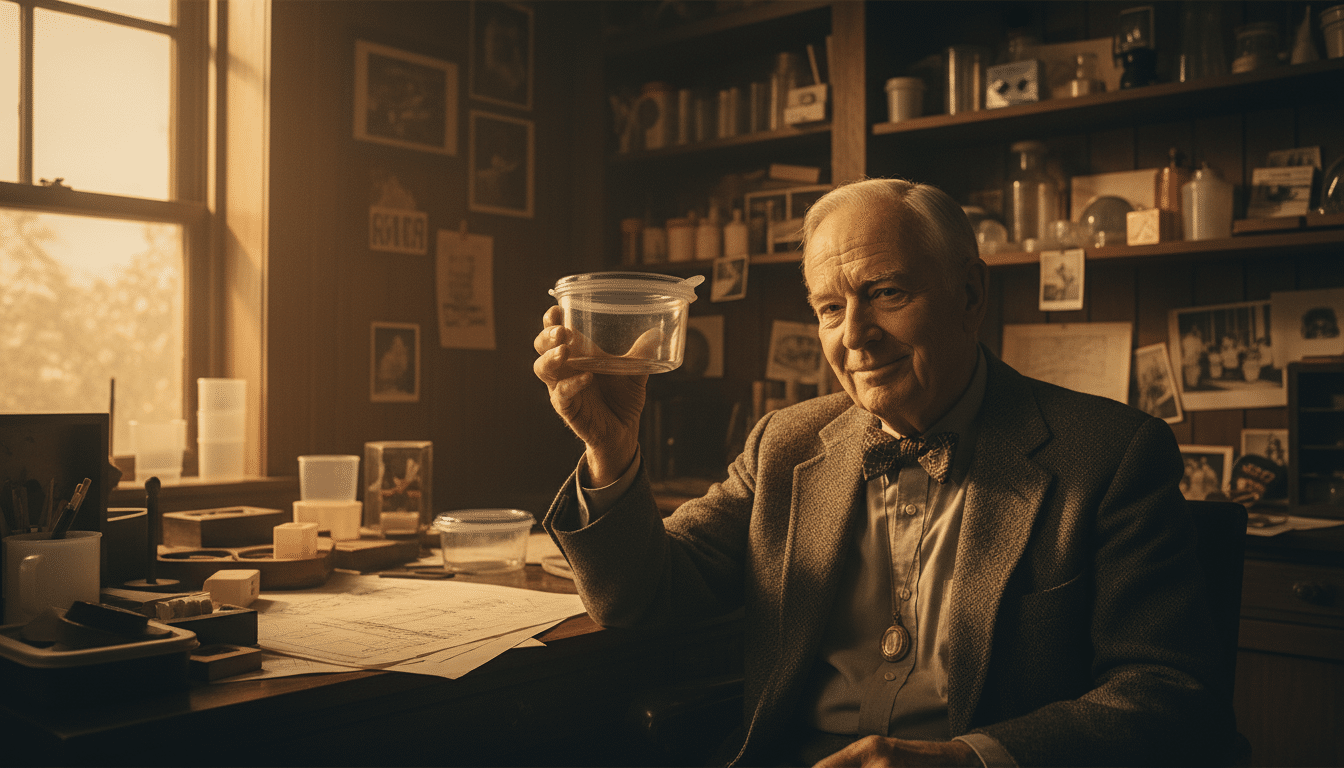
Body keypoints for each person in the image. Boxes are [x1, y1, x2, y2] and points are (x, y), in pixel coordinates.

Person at [533, 178, 1236, 767]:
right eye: (829, 309)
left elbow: (1169, 692)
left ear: (968, 294)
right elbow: (642, 596)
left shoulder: (1110, 454)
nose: (854, 335)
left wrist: (973, 760)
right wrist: (611, 446)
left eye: (886, 294)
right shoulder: (785, 443)